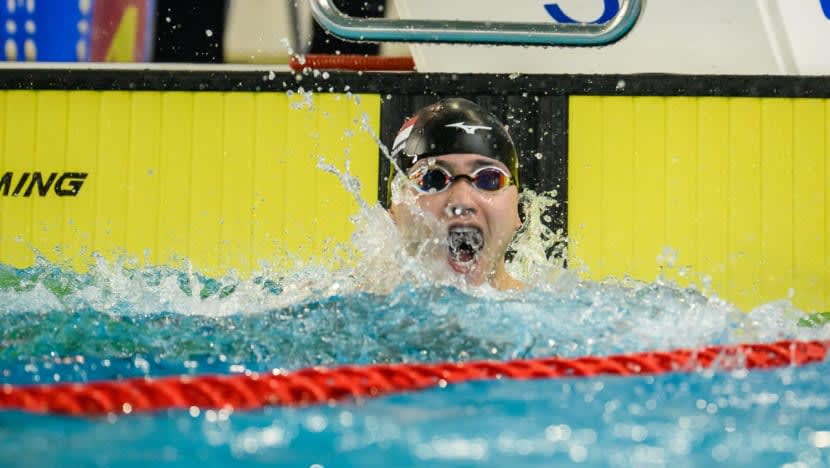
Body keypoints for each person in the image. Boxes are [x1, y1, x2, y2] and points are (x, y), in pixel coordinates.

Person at [387, 98, 524, 290]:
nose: (462, 202)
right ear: (393, 211)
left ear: (517, 211)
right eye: (432, 179)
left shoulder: (558, 310)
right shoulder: (355, 312)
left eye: (489, 179)